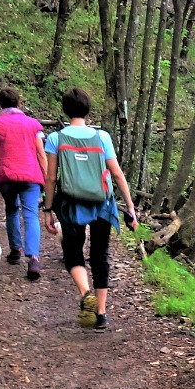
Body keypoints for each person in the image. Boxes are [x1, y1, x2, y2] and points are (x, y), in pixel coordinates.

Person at [42, 88, 138, 331]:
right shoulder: (102, 137)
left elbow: (51, 178)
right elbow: (116, 173)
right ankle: (102, 314)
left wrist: (48, 209)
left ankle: (86, 293)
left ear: (65, 110)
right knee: (99, 254)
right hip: (101, 203)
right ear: (87, 110)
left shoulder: (55, 139)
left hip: (70, 203)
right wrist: (130, 206)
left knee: (73, 250)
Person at [0, 86, 48, 281]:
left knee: (12, 209)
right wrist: (47, 180)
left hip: (6, 176)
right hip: (31, 175)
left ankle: (15, 250)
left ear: (0, 105)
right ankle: (34, 258)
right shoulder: (33, 125)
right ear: (19, 103)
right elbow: (41, 154)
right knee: (31, 214)